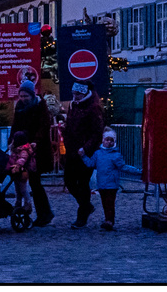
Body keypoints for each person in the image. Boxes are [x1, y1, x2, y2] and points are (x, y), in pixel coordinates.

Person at [11, 79, 54, 226]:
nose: (23, 99)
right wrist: (12, 140)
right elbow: (15, 125)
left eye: (26, 96)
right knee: (30, 182)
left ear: (32, 95)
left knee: (35, 182)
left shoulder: (40, 107)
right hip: (23, 147)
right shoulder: (19, 107)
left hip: (37, 150)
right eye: (21, 96)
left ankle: (44, 213)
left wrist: (36, 141)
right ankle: (43, 213)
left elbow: (44, 125)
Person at [62, 83, 105, 228]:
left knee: (83, 183)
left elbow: (97, 132)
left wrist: (86, 148)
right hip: (72, 150)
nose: (75, 97)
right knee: (69, 181)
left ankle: (82, 215)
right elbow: (71, 126)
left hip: (86, 152)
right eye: (74, 94)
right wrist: (64, 130)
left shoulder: (93, 108)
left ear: (85, 93)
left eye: (78, 94)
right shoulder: (73, 105)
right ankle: (86, 206)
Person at [81, 129, 140, 231]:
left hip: (112, 184)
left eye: (111, 140)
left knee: (109, 203)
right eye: (107, 140)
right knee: (105, 203)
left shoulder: (115, 155)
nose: (109, 142)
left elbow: (123, 167)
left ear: (114, 142)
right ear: (103, 140)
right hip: (102, 184)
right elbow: (90, 163)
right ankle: (108, 220)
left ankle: (109, 221)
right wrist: (83, 157)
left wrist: (138, 171)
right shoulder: (98, 154)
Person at [6, 130, 37, 216]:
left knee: (23, 189)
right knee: (17, 189)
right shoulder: (17, 149)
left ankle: (27, 204)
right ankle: (18, 203)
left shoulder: (23, 150)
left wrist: (17, 165)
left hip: (22, 171)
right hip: (17, 171)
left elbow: (22, 159)